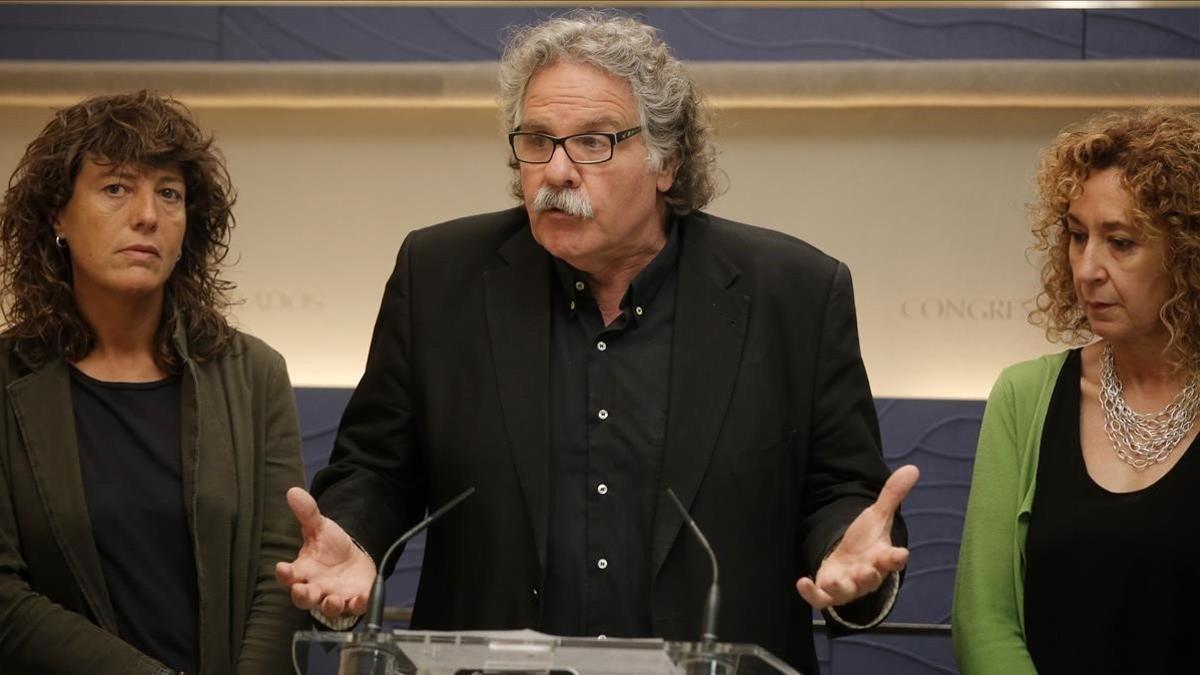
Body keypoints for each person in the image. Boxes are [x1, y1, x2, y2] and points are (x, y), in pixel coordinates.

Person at [276, 11, 917, 673]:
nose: (557, 170)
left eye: (593, 142)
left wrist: (849, 552)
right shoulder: (439, 277)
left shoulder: (795, 294)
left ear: (665, 159)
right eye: (537, 140)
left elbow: (840, 490)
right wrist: (353, 541)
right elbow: (377, 468)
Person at [0, 91, 308, 674]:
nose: (147, 214)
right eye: (116, 187)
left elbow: (280, 570)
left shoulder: (253, 374)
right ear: (56, 215)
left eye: (169, 192)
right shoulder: (7, 378)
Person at [953, 109, 1200, 674]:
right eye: (1076, 235)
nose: (1087, 268)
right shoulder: (1025, 396)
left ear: (1187, 254)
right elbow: (983, 624)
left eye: (1120, 242)